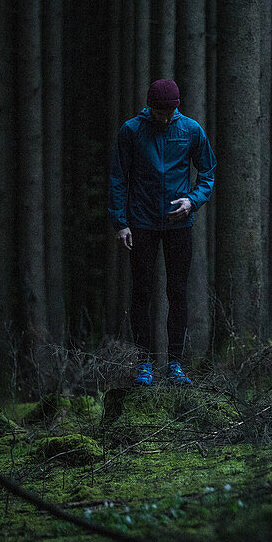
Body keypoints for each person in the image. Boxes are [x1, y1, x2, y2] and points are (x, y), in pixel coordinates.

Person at [108, 79, 216, 387]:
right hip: (140, 222)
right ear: (150, 107)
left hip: (178, 223)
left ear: (177, 107)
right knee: (141, 293)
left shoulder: (191, 130)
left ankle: (175, 365)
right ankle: (144, 365)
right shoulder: (131, 130)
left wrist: (193, 200)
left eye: (171, 112)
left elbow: (207, 169)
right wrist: (120, 221)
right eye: (160, 112)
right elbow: (118, 177)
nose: (166, 118)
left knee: (178, 293)